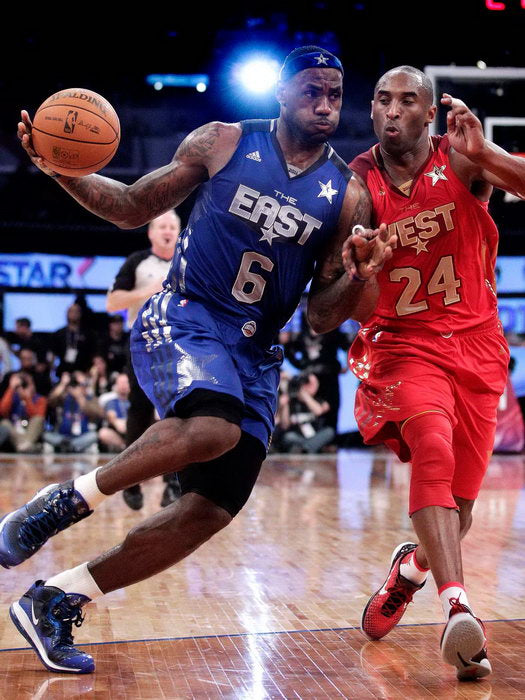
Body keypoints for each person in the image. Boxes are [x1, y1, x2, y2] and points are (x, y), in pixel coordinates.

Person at [2, 45, 394, 675]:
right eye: (311, 92)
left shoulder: (347, 194)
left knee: (209, 510)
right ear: (282, 93)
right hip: (188, 314)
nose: (325, 105)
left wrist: (361, 276)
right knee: (214, 429)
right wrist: (62, 172)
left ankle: (57, 598)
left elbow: (324, 316)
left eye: (334, 95)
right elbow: (132, 206)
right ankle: (63, 502)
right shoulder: (224, 141)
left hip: (257, 353)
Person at [308, 65, 525, 680]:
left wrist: (489, 154)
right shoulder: (353, 187)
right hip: (403, 344)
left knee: (461, 508)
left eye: (407, 101)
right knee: (431, 444)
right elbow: (326, 315)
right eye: (382, 100)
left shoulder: (461, 156)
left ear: (429, 114)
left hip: (477, 344)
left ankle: (410, 571)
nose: (393, 110)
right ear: (372, 110)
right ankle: (458, 607)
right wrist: (361, 274)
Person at [106, 210, 181, 509]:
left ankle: (173, 483)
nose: (167, 231)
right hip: (143, 344)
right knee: (140, 411)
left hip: (179, 343)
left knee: (177, 413)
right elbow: (112, 302)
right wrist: (149, 290)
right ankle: (131, 481)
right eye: (162, 226)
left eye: (172, 226)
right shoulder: (137, 262)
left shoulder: (188, 260)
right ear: (151, 232)